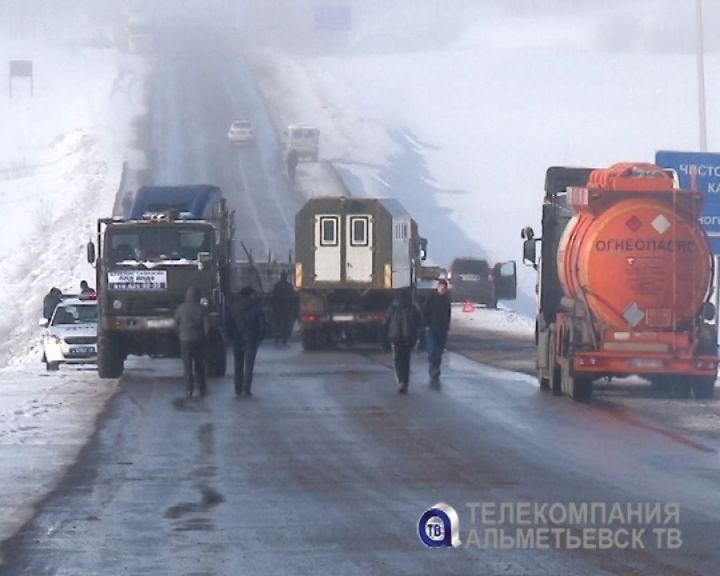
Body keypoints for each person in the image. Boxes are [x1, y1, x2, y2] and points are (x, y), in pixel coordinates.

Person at [228, 286, 266, 397]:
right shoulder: (255, 306)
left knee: (238, 364)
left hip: (237, 338)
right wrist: (260, 337)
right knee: (249, 365)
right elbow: (261, 324)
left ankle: (237, 388)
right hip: (251, 339)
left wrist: (229, 336)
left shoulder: (233, 306)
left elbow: (228, 322)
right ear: (249, 295)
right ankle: (246, 389)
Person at [173, 286, 209, 398]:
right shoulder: (201, 309)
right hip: (198, 339)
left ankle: (189, 390)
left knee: (187, 366)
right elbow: (207, 326)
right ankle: (202, 389)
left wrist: (179, 334)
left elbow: (175, 324)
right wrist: (204, 336)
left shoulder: (181, 308)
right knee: (199, 365)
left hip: (184, 340)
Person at [385, 289, 422, 394]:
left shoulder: (392, 307)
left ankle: (400, 381)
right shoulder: (413, 308)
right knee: (406, 361)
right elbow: (419, 322)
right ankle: (405, 382)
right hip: (409, 337)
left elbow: (386, 321)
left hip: (395, 337)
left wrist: (387, 333)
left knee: (397, 360)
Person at [423, 279, 452, 389]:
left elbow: (448, 313)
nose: (443, 290)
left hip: (442, 328)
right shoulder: (431, 297)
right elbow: (425, 310)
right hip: (431, 327)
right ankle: (432, 370)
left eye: (445, 288)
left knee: (439, 351)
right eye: (441, 288)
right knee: (432, 350)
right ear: (438, 287)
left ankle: (436, 369)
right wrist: (425, 323)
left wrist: (447, 326)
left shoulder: (446, 299)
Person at [270, 271, 295, 345]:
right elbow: (292, 297)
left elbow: (273, 296)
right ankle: (284, 338)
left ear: (281, 276)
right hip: (286, 307)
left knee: (277, 322)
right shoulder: (289, 286)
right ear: (286, 277)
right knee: (286, 322)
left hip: (277, 307)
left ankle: (277, 336)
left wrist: (273, 306)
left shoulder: (277, 285)